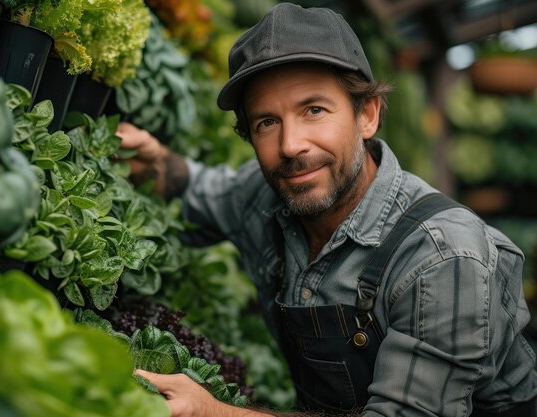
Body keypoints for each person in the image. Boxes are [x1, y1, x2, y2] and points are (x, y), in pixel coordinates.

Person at [116, 3, 537, 416]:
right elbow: (200, 190)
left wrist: (214, 413)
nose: (290, 145)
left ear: (367, 115)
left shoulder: (443, 258)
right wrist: (160, 163)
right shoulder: (269, 195)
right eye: (267, 122)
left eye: (313, 110)